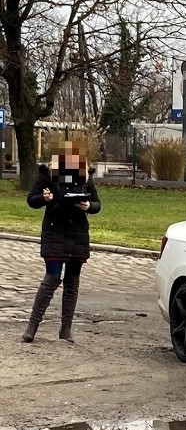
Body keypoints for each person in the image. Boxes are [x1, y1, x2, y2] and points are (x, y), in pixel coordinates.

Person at [22, 141, 101, 343]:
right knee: (52, 278)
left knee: (72, 283)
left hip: (77, 234)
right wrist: (44, 198)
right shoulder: (47, 175)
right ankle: (32, 326)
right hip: (55, 232)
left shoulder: (85, 177)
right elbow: (32, 199)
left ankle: (66, 329)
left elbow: (97, 203)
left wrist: (88, 206)